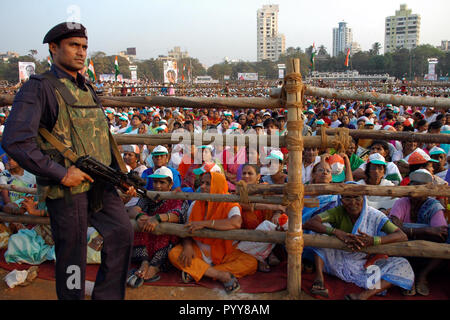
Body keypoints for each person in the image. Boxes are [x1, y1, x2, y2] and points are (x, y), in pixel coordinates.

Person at [1, 22, 134, 300]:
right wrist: (60, 173)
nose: (81, 52)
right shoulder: (39, 88)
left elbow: (99, 138)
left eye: (84, 46)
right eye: (74, 45)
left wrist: (119, 177)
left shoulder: (87, 88)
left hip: (100, 184)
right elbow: (15, 139)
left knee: (122, 233)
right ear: (53, 48)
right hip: (66, 189)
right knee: (72, 255)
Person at [304, 184, 414, 300]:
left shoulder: (375, 215)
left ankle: (363, 296)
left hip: (363, 264)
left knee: (402, 264)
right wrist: (337, 232)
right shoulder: (338, 211)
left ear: (363, 198)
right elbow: (311, 223)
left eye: (357, 198)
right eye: (347, 198)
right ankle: (319, 279)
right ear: (341, 200)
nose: (352, 202)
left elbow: (401, 235)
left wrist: (373, 241)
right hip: (337, 260)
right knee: (320, 234)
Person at [168, 172, 258, 294]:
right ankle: (221, 275)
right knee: (174, 253)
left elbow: (236, 222)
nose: (203, 187)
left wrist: (205, 223)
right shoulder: (195, 204)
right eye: (202, 183)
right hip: (198, 251)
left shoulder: (230, 203)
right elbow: (186, 230)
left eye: (208, 184)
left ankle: (199, 271)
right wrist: (188, 246)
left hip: (225, 253)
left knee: (251, 263)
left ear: (218, 186)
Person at [389, 169, 449, 296]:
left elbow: (441, 233)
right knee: (388, 233)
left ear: (428, 190)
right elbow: (394, 228)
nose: (416, 189)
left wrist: (407, 229)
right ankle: (407, 274)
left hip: (427, 254)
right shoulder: (402, 202)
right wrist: (426, 230)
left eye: (421, 186)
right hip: (403, 251)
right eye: (414, 185)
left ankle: (423, 275)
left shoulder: (433, 205)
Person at [126, 167, 187, 288]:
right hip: (148, 234)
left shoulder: (177, 197)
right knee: (140, 226)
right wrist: (141, 217)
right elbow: (134, 210)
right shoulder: (149, 196)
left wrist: (158, 218)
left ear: (171, 184)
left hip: (165, 238)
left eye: (162, 182)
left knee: (165, 233)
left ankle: (155, 266)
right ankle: (144, 262)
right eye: (155, 182)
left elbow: (178, 215)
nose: (157, 185)